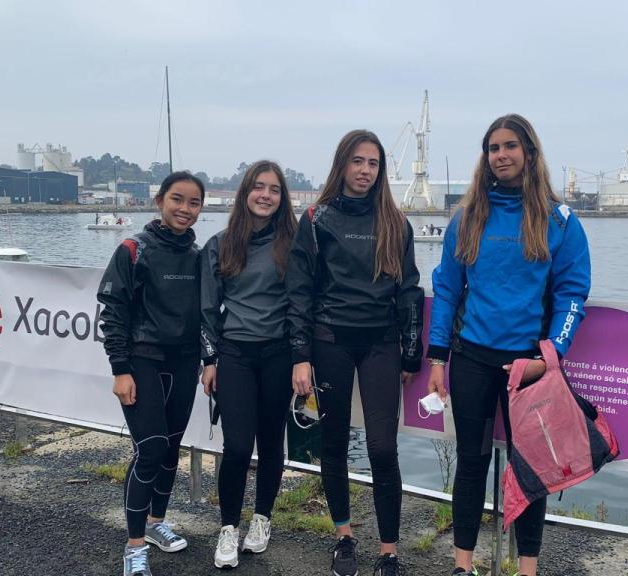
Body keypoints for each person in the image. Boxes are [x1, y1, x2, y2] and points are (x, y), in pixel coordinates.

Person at [427, 114, 591, 576]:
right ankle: (462, 565)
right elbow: (447, 290)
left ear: (529, 153)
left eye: (510, 146)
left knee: (531, 470)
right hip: (473, 360)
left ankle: (527, 570)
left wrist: (549, 357)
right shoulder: (467, 218)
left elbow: (572, 294)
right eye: (493, 148)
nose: (501, 155)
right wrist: (438, 356)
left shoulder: (560, 221)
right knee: (472, 464)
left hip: (529, 370)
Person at [287, 130, 424, 576]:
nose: (366, 171)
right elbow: (299, 292)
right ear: (343, 164)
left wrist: (410, 352)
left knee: (384, 449)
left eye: (374, 163)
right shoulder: (315, 218)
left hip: (380, 344)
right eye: (358, 162)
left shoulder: (395, 222)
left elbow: (408, 290)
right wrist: (300, 355)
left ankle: (389, 550)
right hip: (329, 343)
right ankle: (344, 536)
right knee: (334, 443)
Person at [96, 171, 205, 576]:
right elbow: (114, 313)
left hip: (183, 361)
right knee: (151, 450)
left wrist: (207, 361)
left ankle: (158, 523)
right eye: (177, 199)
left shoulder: (198, 256)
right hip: (142, 361)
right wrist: (120, 369)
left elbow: (206, 314)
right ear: (160, 200)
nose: (185, 209)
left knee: (171, 450)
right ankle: (134, 544)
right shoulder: (132, 249)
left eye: (194, 203)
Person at [199, 160, 298, 569]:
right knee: (238, 446)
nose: (266, 195)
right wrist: (209, 360)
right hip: (235, 353)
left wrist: (303, 356)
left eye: (274, 189)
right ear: (245, 192)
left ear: (282, 198)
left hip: (279, 354)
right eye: (259, 187)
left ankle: (262, 519)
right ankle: (227, 527)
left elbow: (303, 302)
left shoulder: (294, 244)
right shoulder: (221, 244)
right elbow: (206, 307)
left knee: (272, 442)